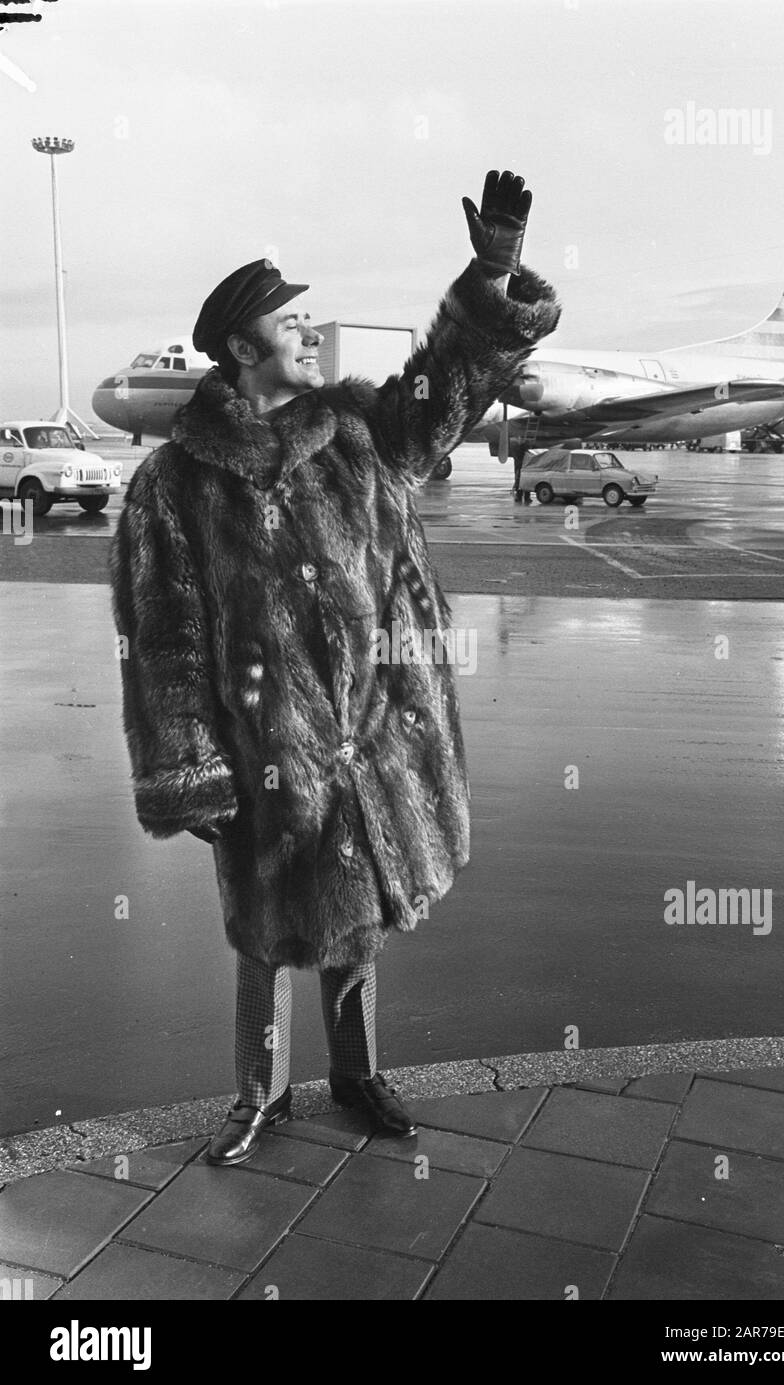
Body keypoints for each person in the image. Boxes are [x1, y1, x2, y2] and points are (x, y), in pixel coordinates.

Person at [108, 170, 560, 1166]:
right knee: (268, 930)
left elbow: (448, 394)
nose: (312, 333)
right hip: (260, 744)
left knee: (356, 919)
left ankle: (357, 1076)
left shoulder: (363, 427)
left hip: (367, 730)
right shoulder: (175, 482)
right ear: (240, 346)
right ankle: (257, 1099)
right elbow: (164, 636)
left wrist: (494, 275)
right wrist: (190, 769)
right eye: (294, 321)